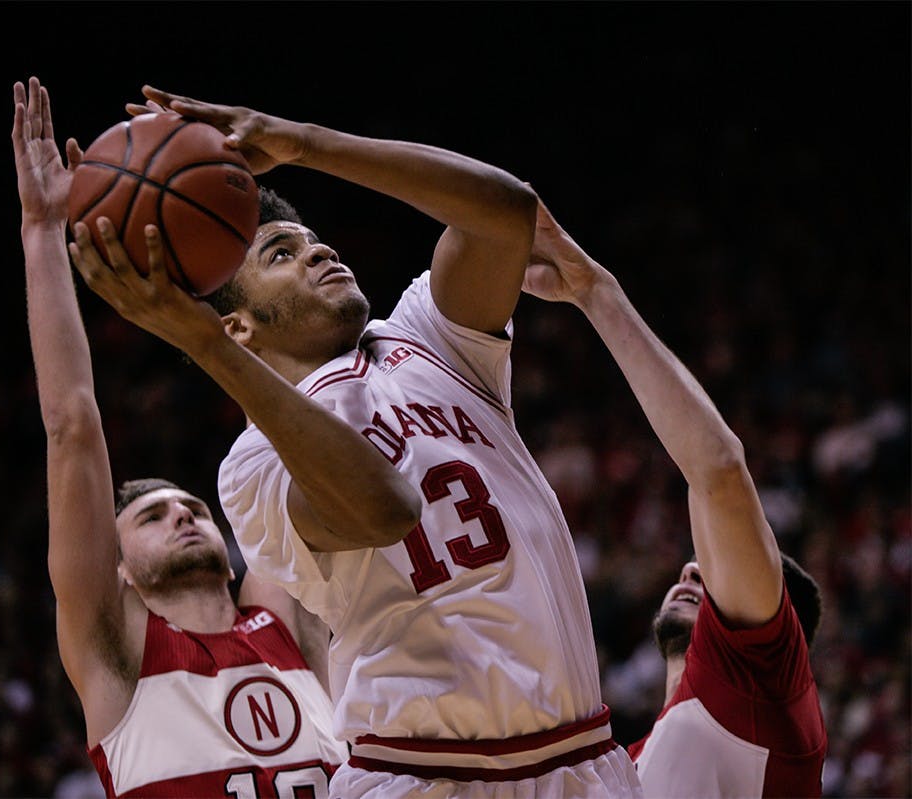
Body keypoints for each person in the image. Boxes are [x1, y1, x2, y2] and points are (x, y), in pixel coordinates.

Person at [68, 86, 643, 799]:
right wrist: (202, 343)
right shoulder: (252, 465)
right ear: (238, 327)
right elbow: (384, 507)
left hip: (580, 758)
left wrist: (305, 143)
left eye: (315, 240)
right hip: (424, 775)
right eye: (283, 253)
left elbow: (507, 212)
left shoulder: (428, 335)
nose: (320, 252)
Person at [13, 76, 349, 799]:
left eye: (191, 506)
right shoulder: (117, 653)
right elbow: (72, 424)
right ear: (120, 569)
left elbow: (297, 426)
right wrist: (42, 232)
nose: (184, 514)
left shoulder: (287, 615)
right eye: (152, 515)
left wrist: (248, 312)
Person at [522, 195, 828, 797]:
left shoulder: (759, 678)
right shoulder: (625, 764)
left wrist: (596, 292)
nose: (694, 564)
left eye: (719, 577)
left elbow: (717, 469)